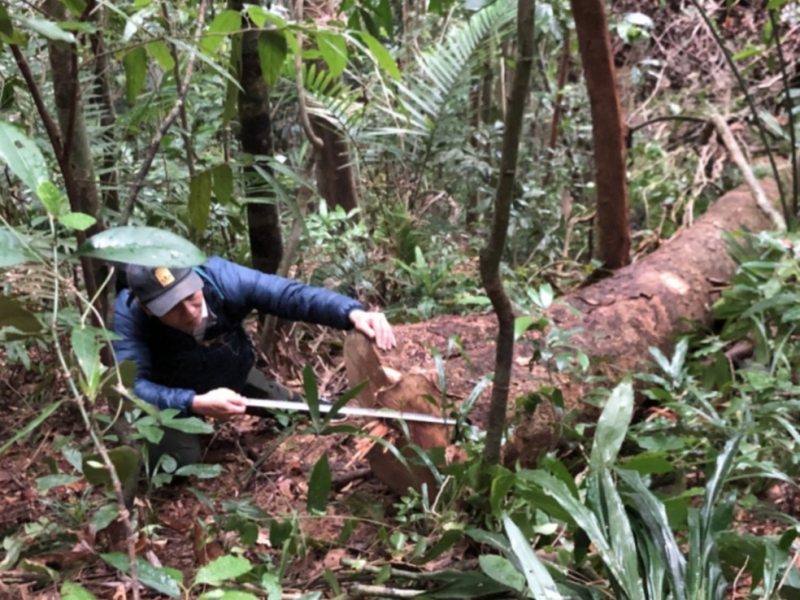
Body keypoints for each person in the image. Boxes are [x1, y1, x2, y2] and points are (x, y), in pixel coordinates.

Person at [112, 256, 396, 472]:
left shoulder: (223, 278)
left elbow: (289, 295)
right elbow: (131, 386)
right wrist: (194, 402)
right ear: (148, 308)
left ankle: (281, 398)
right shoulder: (129, 314)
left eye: (190, 296)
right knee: (176, 465)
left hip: (231, 371)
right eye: (172, 307)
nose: (189, 312)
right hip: (173, 396)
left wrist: (352, 313)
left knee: (302, 409)